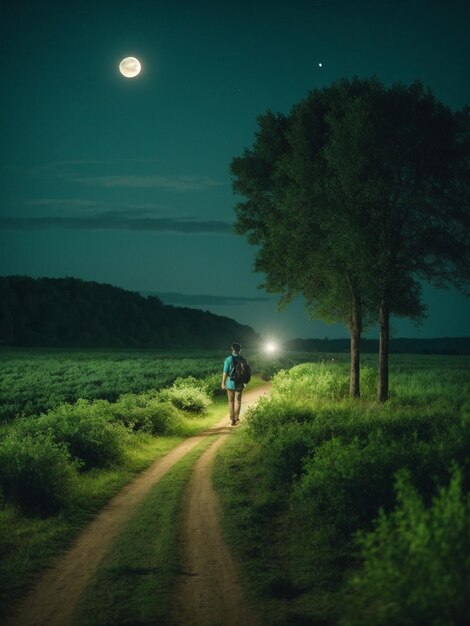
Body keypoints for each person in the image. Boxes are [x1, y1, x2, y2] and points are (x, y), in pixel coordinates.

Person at [221, 342, 246, 426]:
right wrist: (244, 382)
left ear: (232, 349)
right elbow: (245, 372)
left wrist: (223, 383)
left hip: (230, 383)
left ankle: (232, 419)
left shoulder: (228, 359)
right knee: (238, 401)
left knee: (230, 401)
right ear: (240, 350)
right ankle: (237, 418)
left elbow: (225, 372)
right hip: (239, 383)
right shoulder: (243, 359)